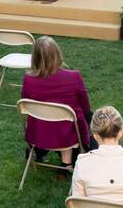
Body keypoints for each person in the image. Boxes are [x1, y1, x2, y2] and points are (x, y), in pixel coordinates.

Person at [21, 35, 93, 167]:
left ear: (35, 57)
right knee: (88, 118)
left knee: (51, 119)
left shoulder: (28, 79)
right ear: (57, 54)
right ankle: (68, 163)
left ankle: (38, 151)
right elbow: (85, 108)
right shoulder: (73, 77)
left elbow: (25, 104)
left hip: (39, 132)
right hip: (68, 134)